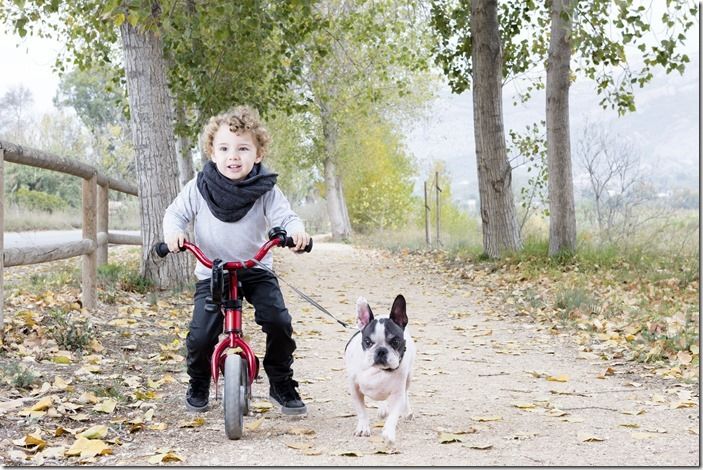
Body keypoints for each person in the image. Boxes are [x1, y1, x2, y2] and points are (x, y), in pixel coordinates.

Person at [163, 105, 310, 416]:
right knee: (201, 334)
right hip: (212, 271)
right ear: (212, 153)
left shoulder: (266, 189)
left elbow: (286, 216)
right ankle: (199, 380)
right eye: (225, 148)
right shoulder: (198, 188)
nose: (233, 156)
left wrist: (296, 232)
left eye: (243, 149)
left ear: (257, 155)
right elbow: (176, 214)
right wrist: (174, 233)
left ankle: (281, 382)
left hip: (255, 269)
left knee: (279, 322)